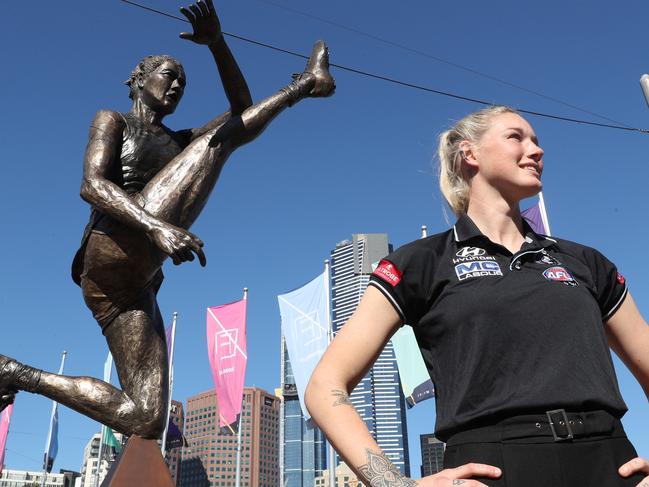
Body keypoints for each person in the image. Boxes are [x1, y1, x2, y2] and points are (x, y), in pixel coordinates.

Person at [0, 0, 334, 439]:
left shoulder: (180, 141)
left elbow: (243, 112)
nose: (177, 85)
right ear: (138, 80)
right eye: (169, 75)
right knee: (221, 139)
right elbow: (92, 185)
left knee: (145, 418)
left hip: (132, 286)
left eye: (183, 80)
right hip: (110, 250)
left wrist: (216, 44)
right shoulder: (112, 119)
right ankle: (306, 84)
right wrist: (156, 227)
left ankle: (15, 373)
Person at [305, 106, 649, 486]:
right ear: (469, 154)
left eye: (536, 141)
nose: (537, 150)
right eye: (516, 137)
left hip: (610, 461)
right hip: (492, 467)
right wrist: (396, 485)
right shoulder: (420, 261)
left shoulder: (585, 261)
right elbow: (325, 387)